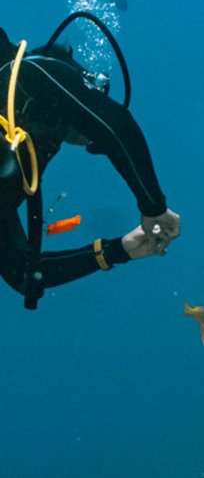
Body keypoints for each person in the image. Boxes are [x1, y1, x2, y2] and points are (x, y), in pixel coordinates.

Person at [0, 25, 180, 308]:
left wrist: (119, 250)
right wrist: (154, 207)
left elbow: (23, 272)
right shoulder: (30, 75)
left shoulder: (22, 157)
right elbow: (115, 125)